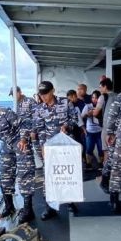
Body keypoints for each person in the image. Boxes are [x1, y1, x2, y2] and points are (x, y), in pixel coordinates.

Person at [27, 80, 78, 220]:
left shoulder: (65, 102)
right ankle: (50, 208)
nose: (43, 97)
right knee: (49, 177)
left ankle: (69, 202)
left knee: (67, 174)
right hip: (49, 146)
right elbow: (39, 130)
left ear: (53, 91)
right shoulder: (39, 109)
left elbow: (75, 119)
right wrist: (43, 147)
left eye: (46, 93)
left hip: (65, 145)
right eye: (41, 94)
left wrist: (67, 126)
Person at [10, 86, 40, 223]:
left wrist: (31, 133)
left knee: (28, 171)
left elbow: (36, 118)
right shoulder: (14, 106)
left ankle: (29, 208)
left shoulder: (30, 102)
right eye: (11, 95)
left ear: (20, 92)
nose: (13, 96)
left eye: (14, 93)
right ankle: (26, 208)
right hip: (20, 142)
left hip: (31, 138)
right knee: (22, 172)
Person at [80, 90, 104, 170]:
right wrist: (87, 114)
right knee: (89, 149)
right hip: (90, 131)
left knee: (101, 149)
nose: (94, 99)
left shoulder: (102, 106)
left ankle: (101, 164)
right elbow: (82, 116)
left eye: (96, 98)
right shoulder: (88, 106)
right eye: (93, 97)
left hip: (100, 131)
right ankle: (89, 164)